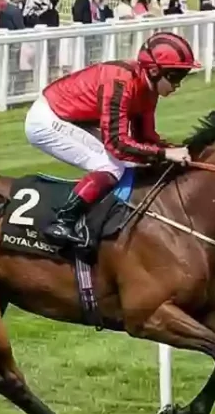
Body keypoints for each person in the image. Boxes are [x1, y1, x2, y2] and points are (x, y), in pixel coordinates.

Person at [24, 30, 199, 253]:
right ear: (154, 71)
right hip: (47, 119)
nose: (178, 85)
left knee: (129, 163)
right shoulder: (121, 83)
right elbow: (118, 144)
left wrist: (177, 151)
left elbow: (145, 138)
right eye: (175, 76)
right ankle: (62, 222)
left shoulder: (148, 90)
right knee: (111, 164)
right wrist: (165, 154)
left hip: (70, 116)